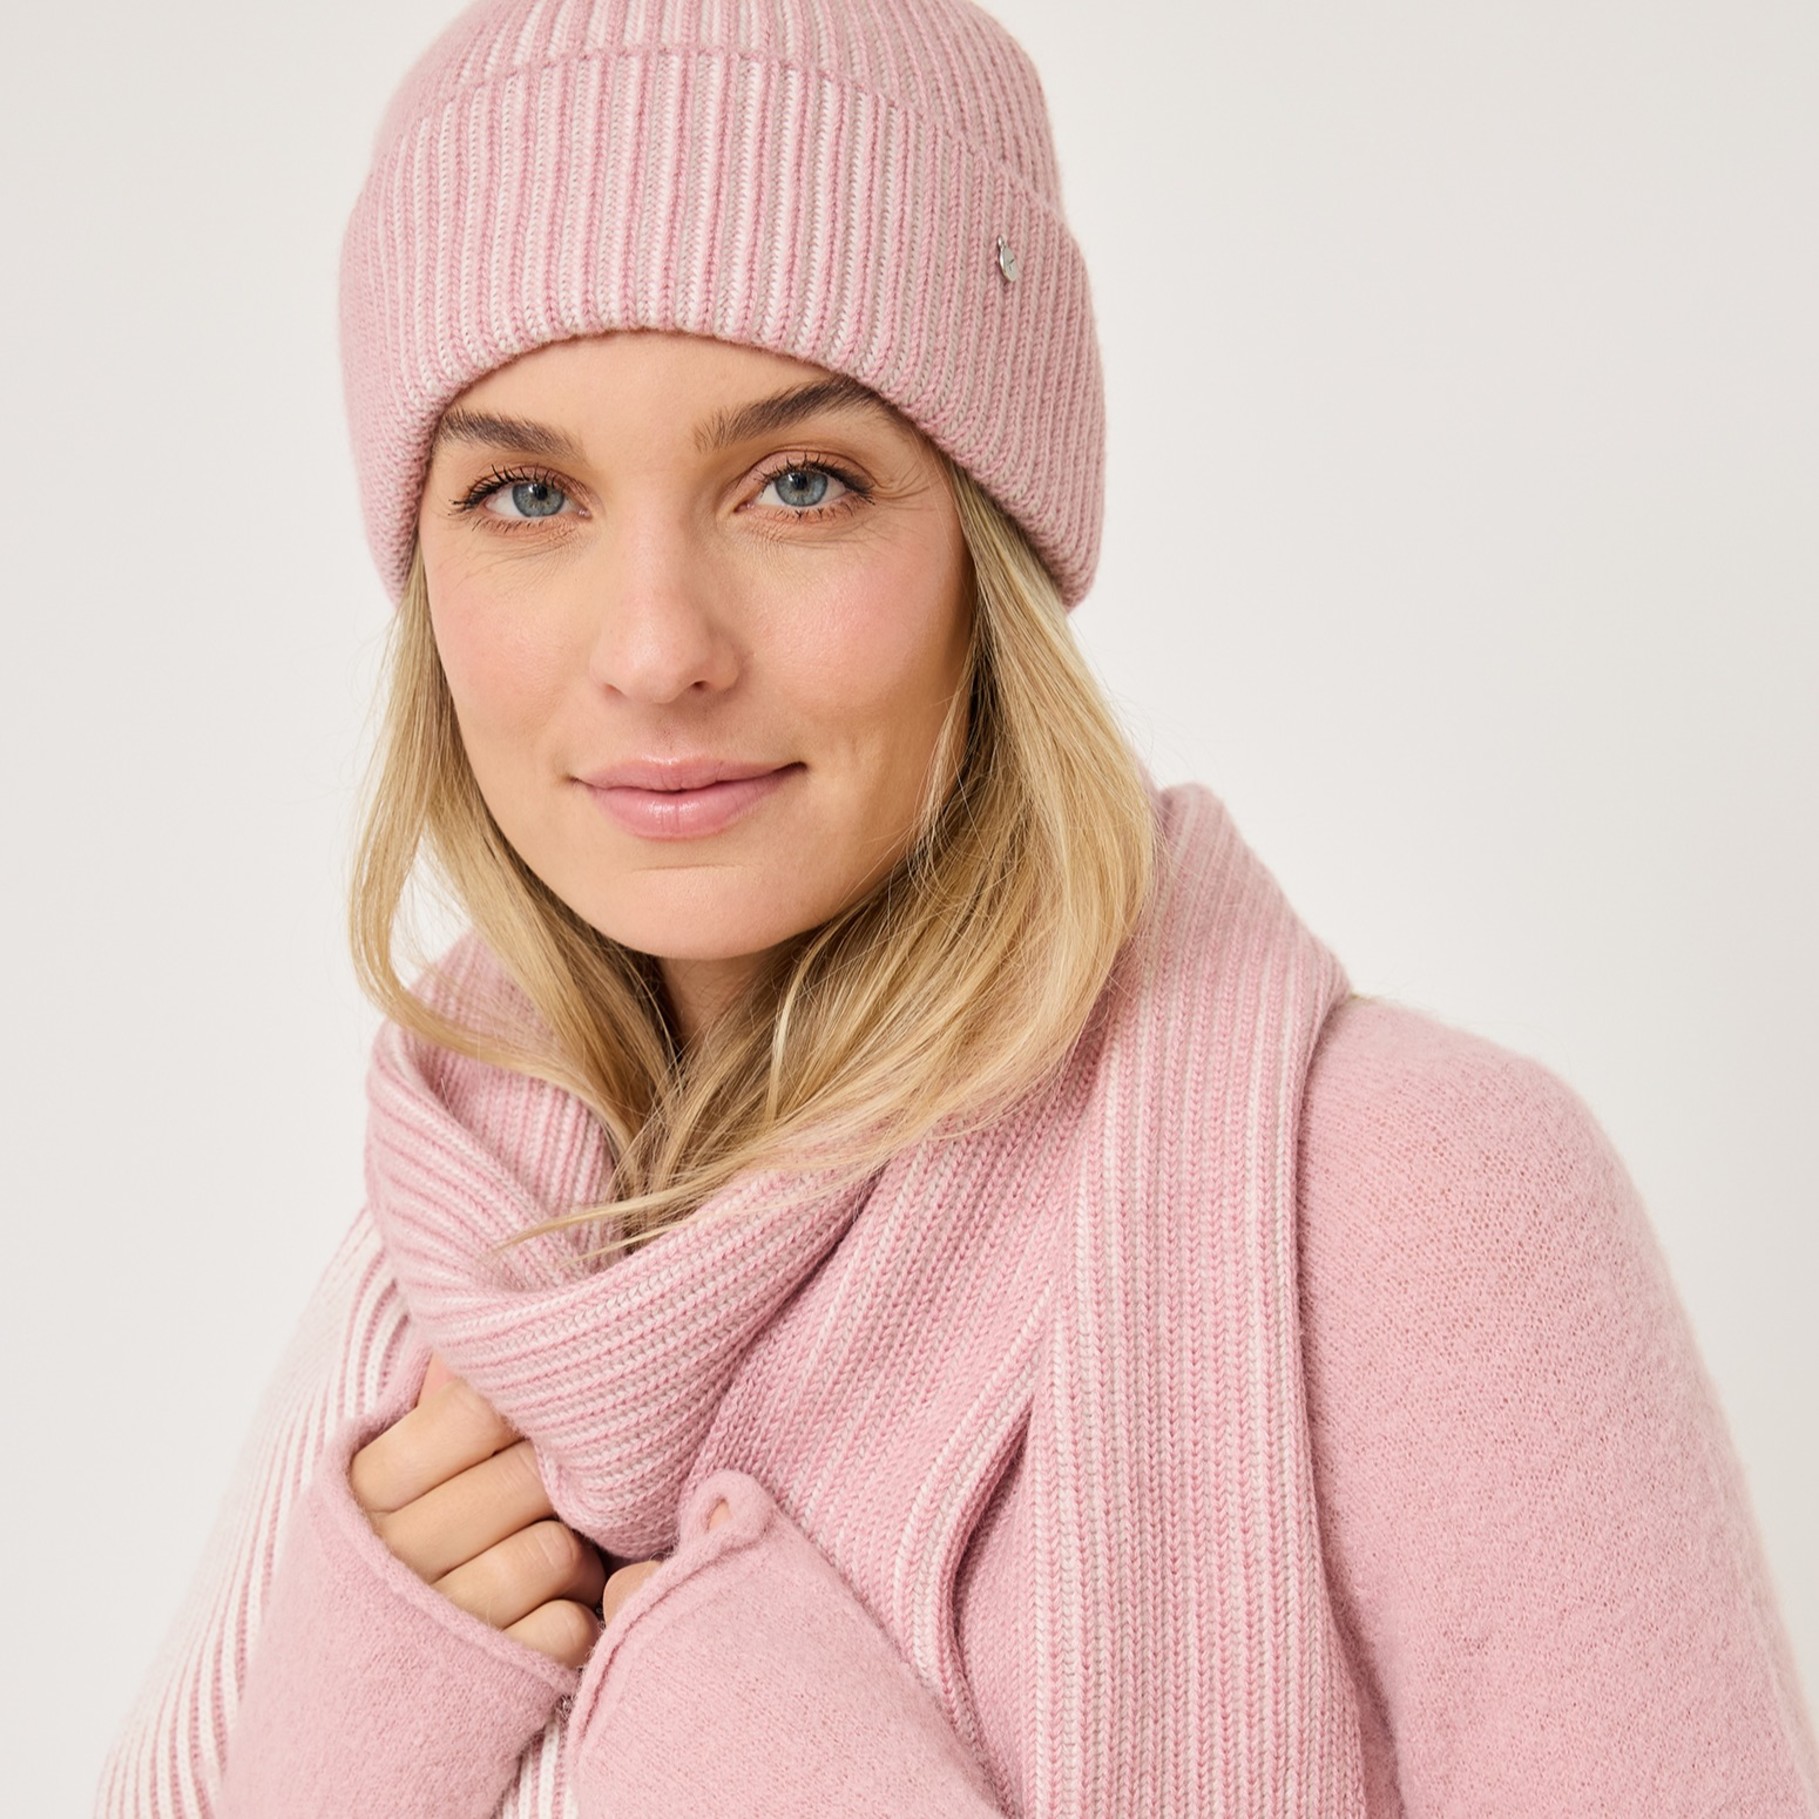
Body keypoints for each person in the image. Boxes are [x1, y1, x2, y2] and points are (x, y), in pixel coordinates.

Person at [96, 0, 1819, 1813]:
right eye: (528, 493)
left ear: (986, 549)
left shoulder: (1415, 1201)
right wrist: (341, 1732)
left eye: (801, 483)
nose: (657, 648)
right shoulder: (464, 1248)